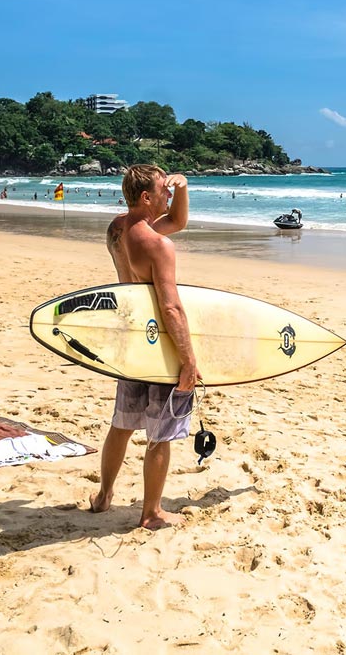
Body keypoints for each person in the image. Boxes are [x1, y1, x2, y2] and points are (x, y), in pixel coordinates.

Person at [91, 165, 200, 530]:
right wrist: (188, 360)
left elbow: (178, 220)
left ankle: (104, 496)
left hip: (130, 338)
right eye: (163, 191)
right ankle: (151, 512)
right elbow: (170, 307)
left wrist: (182, 188)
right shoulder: (157, 245)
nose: (167, 196)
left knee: (122, 423)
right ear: (145, 198)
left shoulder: (117, 230)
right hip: (157, 343)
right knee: (161, 431)